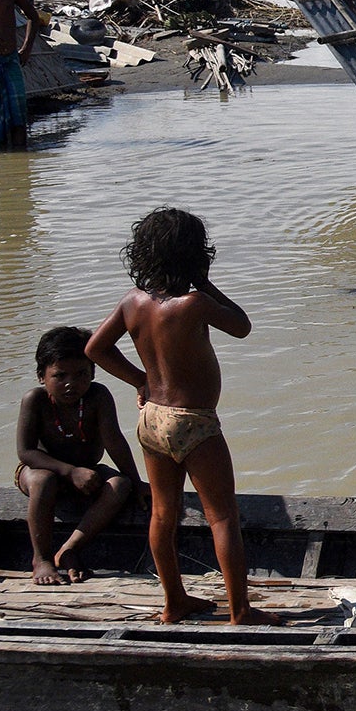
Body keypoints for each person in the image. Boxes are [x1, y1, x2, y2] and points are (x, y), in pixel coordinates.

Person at [86, 209, 275, 625]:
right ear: (194, 256)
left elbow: (95, 349)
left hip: (152, 418)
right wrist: (205, 282)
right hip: (194, 420)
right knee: (222, 516)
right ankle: (240, 610)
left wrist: (140, 381)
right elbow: (242, 326)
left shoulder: (133, 302)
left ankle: (174, 602)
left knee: (162, 513)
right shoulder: (195, 303)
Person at [16, 326, 142, 584]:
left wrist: (137, 482)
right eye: (60, 375)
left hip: (86, 470)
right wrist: (70, 471)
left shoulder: (98, 397)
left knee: (120, 485)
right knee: (43, 480)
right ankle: (42, 559)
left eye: (81, 374)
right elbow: (26, 452)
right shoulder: (35, 400)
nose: (70, 384)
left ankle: (70, 548)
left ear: (92, 373)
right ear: (42, 376)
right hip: (40, 471)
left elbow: (114, 442)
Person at [0, 0, 48, 151]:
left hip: (10, 59)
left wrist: (26, 48)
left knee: (18, 115)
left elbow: (33, 18)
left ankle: (20, 162)